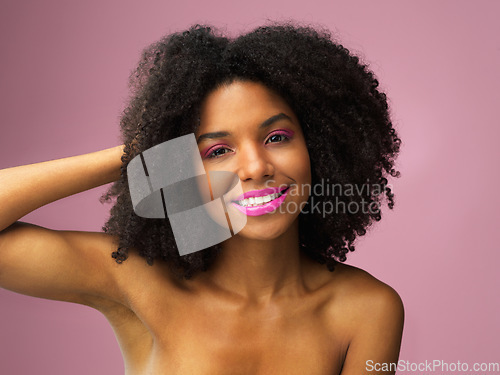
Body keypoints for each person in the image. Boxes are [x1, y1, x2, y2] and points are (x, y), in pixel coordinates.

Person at [0, 22, 404, 374]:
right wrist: (134, 156)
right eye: (217, 151)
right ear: (180, 169)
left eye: (276, 137)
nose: (255, 167)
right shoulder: (139, 282)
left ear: (319, 145)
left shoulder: (368, 309)